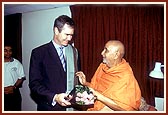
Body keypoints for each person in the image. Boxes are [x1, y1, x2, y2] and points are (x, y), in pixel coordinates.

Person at [29, 15, 80, 111]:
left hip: (71, 107)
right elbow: (34, 84)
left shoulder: (74, 52)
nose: (69, 39)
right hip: (50, 107)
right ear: (56, 31)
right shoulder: (39, 53)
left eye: (71, 35)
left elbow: (76, 80)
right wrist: (55, 97)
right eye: (66, 34)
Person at [76, 40, 141, 111]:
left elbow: (125, 109)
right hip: (96, 105)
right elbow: (97, 89)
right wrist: (85, 83)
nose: (102, 53)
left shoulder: (126, 76)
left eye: (106, 50)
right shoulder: (102, 67)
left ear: (116, 55)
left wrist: (99, 97)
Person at [4, 43, 26, 111]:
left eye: (10, 50)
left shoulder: (16, 63)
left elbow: (21, 77)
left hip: (13, 93)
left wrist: (14, 87)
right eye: (5, 50)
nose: (8, 53)